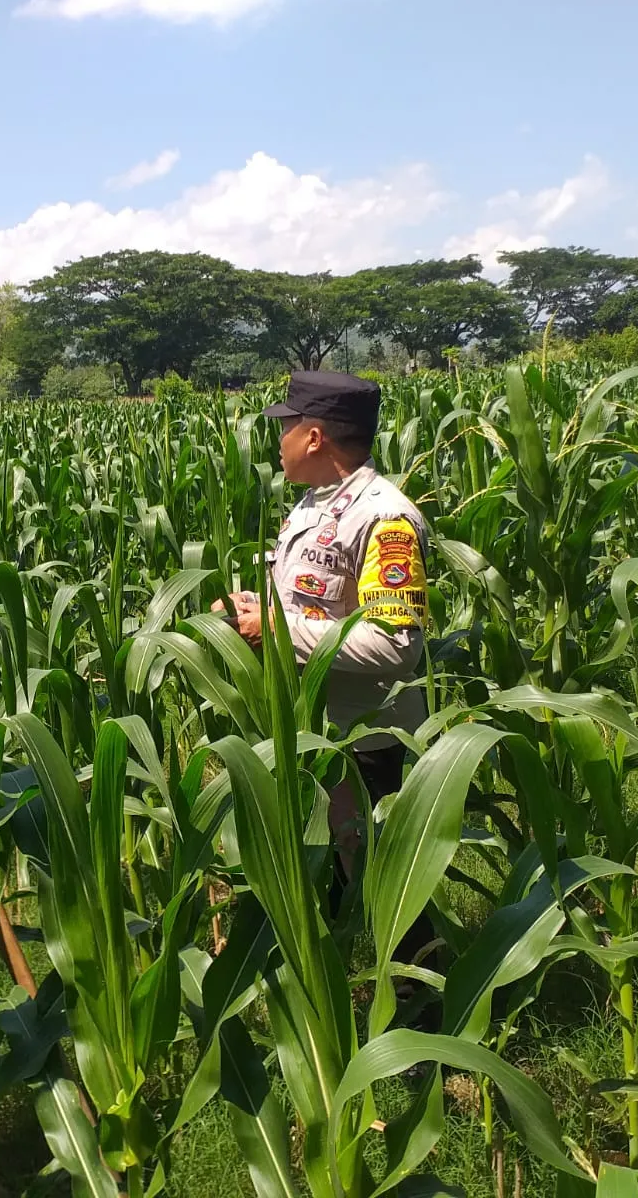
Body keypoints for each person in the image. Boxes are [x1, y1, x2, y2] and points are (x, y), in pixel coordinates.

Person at [217, 372, 435, 969]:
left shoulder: (385, 518)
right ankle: (345, 983)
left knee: (383, 880)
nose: (278, 439)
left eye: (286, 426)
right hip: (314, 728)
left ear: (314, 437)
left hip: (361, 739)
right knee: (337, 874)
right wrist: (248, 605)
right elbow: (308, 600)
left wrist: (275, 629)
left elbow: (395, 643)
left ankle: (421, 1001)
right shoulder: (316, 503)